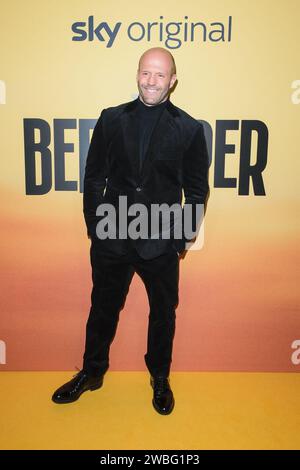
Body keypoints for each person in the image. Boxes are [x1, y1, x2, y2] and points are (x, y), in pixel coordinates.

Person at [52, 47, 209, 415]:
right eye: (146, 73)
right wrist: (96, 227)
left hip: (161, 242)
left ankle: (159, 378)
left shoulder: (189, 128)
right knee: (102, 308)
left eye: (160, 75)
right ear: (137, 74)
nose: (151, 81)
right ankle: (91, 373)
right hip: (112, 238)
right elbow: (94, 178)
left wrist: (178, 240)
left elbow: (198, 191)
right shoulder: (110, 119)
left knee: (163, 314)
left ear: (172, 81)